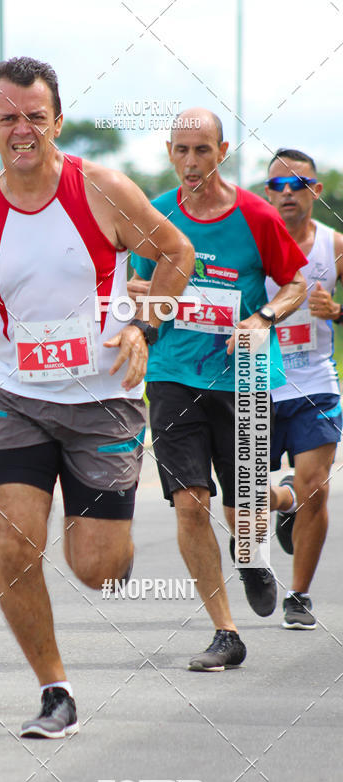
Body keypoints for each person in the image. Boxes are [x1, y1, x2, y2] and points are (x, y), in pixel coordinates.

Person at [0, 57, 194, 737]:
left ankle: (117, 553)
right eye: (9, 117)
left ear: (57, 123)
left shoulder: (100, 189)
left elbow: (175, 252)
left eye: (35, 117)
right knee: (15, 546)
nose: (22, 129)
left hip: (103, 402)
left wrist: (145, 321)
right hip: (16, 400)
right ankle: (55, 691)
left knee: (96, 569)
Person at [129, 108, 307, 672]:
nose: (190, 163)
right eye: (180, 151)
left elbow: (296, 284)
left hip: (245, 377)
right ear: (168, 152)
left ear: (222, 151)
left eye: (201, 151)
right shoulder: (156, 214)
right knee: (190, 504)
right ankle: (225, 632)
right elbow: (139, 285)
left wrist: (263, 319)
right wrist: (143, 295)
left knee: (243, 510)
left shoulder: (255, 215)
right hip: (174, 376)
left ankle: (276, 512)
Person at [264, 149, 343, 629]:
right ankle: (282, 501)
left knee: (317, 488)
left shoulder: (333, 247)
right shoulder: (250, 244)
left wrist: (337, 311)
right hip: (256, 386)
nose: (288, 193)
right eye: (278, 186)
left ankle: (298, 595)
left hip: (315, 383)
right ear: (267, 193)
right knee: (246, 495)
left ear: (315, 190)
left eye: (298, 184)